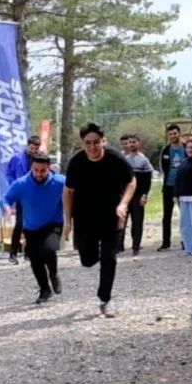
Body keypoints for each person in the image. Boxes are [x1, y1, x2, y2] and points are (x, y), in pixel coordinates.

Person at [62, 123, 135, 318]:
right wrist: (68, 221)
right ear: (82, 143)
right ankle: (96, 254)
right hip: (85, 217)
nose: (92, 147)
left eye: (96, 142)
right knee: (87, 260)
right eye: (88, 143)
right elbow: (68, 191)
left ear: (103, 141)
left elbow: (131, 181)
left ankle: (105, 299)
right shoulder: (76, 162)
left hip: (112, 215)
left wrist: (123, 204)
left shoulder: (115, 159)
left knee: (109, 258)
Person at [1, 155, 66, 304]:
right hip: (31, 227)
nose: (38, 174)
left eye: (43, 171)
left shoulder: (60, 182)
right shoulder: (22, 184)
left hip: (53, 223)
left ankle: (54, 274)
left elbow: (74, 192)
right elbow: (6, 198)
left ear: (49, 168)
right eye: (36, 170)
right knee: (35, 260)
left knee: (49, 249)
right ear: (31, 168)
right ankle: (44, 289)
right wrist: (5, 207)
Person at [4, 136, 42, 265]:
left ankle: (28, 252)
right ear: (27, 146)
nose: (34, 151)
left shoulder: (41, 158)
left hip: (36, 196)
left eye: (36, 148)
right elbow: (9, 173)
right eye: (32, 148)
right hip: (22, 194)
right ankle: (13, 253)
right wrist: (14, 185)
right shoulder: (17, 158)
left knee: (33, 225)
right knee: (19, 224)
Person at [119, 134, 154, 256]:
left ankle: (136, 246)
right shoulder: (124, 160)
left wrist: (145, 194)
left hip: (138, 195)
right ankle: (119, 246)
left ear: (139, 143)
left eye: (134, 142)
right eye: (129, 142)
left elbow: (148, 180)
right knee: (122, 220)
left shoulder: (143, 160)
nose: (132, 144)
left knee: (137, 222)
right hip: (125, 196)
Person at [157, 124, 185, 251]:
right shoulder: (165, 151)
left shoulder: (186, 148)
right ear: (168, 136)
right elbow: (163, 167)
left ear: (179, 134)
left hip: (183, 187)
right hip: (168, 185)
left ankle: (185, 240)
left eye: (175, 133)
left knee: (184, 215)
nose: (173, 136)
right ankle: (166, 242)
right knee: (166, 216)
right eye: (170, 134)